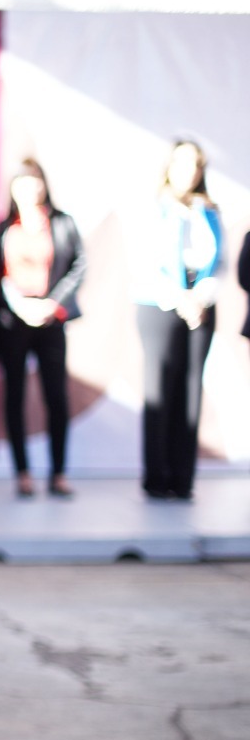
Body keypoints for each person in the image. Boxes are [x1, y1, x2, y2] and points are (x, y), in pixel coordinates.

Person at [0, 159, 87, 499]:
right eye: (21, 184)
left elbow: (77, 265)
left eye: (35, 183)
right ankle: (22, 473)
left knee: (55, 395)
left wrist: (51, 303)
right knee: (14, 395)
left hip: (50, 316)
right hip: (15, 319)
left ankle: (58, 473)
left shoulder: (62, 224)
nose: (29, 190)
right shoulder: (4, 228)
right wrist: (19, 304)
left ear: (44, 186)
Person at [134, 140, 223, 501]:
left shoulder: (208, 210)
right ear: (168, 167)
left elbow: (220, 260)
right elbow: (144, 262)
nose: (189, 171)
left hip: (199, 303)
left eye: (195, 164)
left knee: (190, 389)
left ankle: (182, 477)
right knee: (160, 390)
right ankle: (156, 476)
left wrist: (200, 295)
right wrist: (178, 297)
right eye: (182, 163)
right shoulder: (153, 208)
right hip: (159, 303)